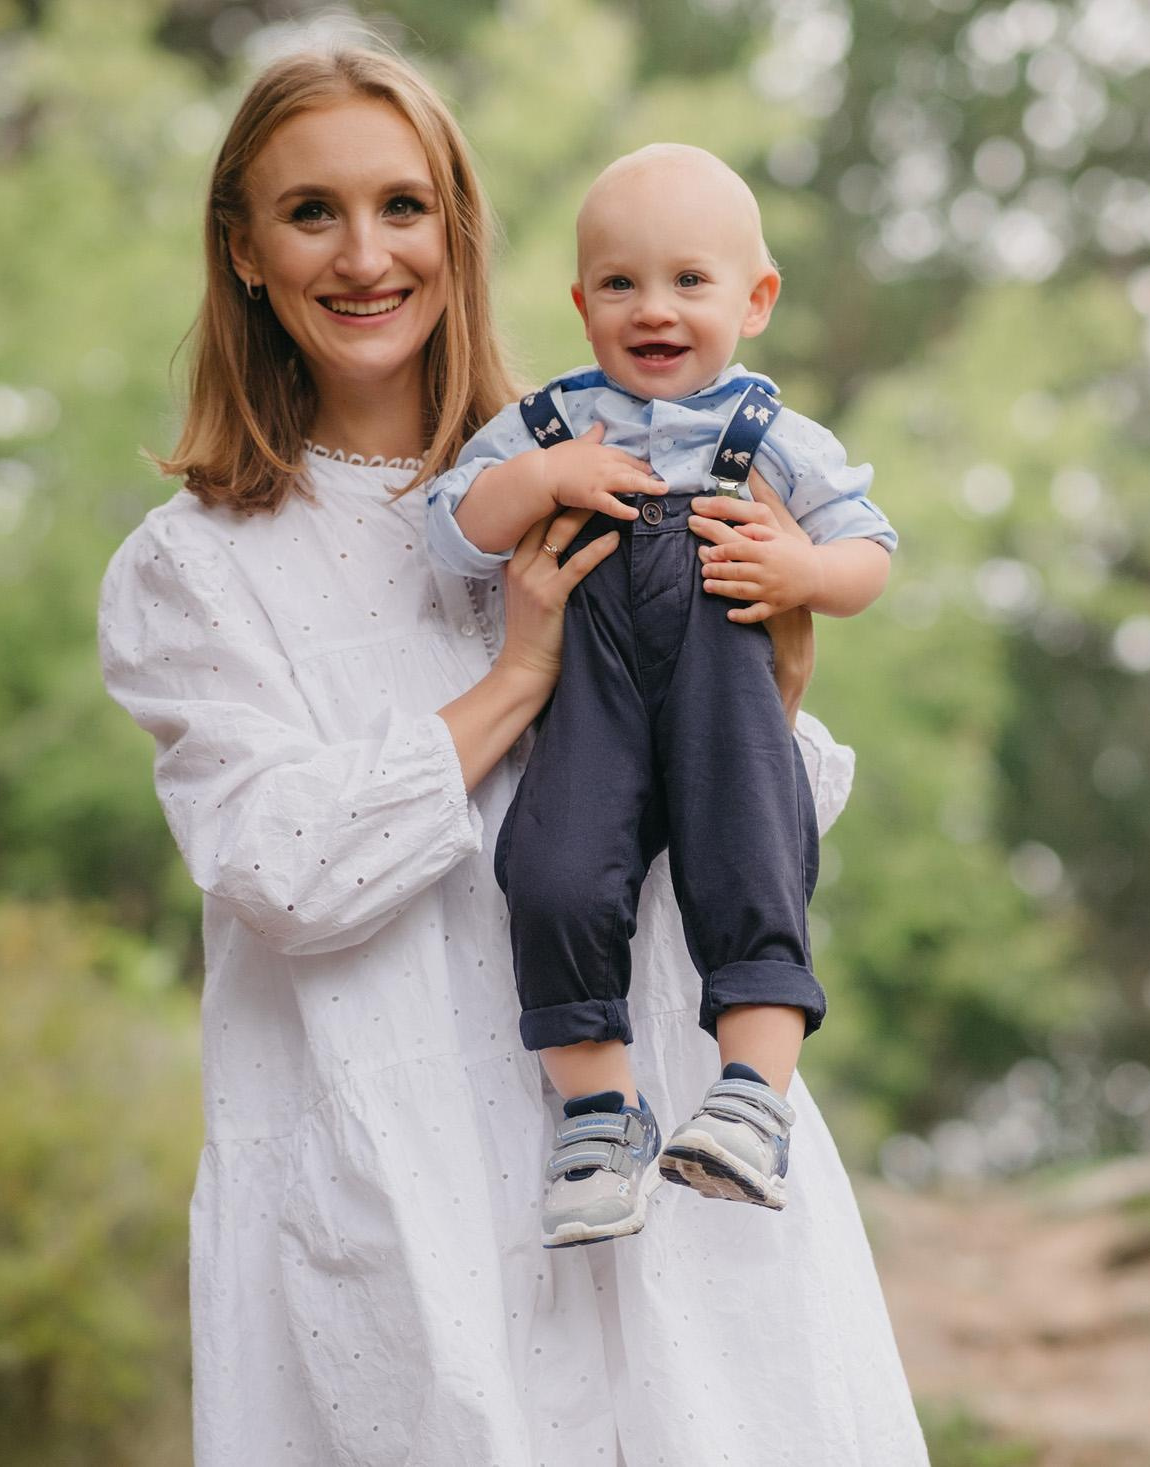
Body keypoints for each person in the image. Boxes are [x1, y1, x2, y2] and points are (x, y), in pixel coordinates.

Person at [95, 43, 928, 1466]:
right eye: (311, 212)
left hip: (676, 1171)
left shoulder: (619, 469)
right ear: (242, 248)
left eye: (403, 206)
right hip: (401, 1183)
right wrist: (520, 675)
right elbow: (282, 869)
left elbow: (750, 831)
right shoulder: (199, 568)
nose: (366, 256)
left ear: (459, 231)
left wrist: (773, 679)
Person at [420, 145, 894, 1248]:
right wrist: (541, 482)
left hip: (724, 696)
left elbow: (867, 554)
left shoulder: (771, 437)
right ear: (581, 304)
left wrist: (802, 571)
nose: (654, 309)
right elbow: (450, 530)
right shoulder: (548, 426)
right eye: (620, 283)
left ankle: (751, 1101)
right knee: (550, 869)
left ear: (755, 300)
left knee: (754, 852)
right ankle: (598, 1119)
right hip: (591, 700)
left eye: (689, 280)